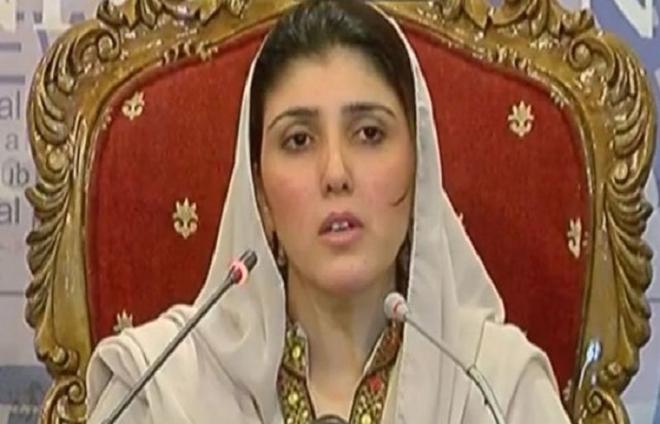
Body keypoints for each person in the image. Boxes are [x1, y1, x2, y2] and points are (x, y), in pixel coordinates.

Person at [86, 1, 571, 422]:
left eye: (369, 134)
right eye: (298, 140)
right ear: (260, 195)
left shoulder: (496, 387)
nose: (336, 173)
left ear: (420, 171)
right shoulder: (166, 385)